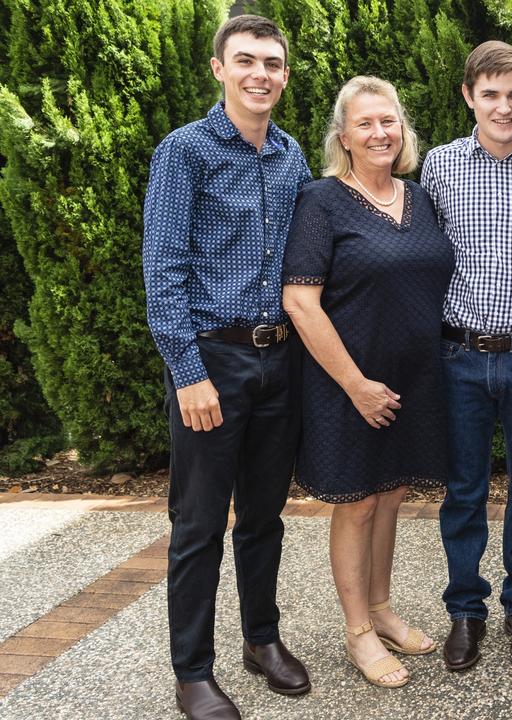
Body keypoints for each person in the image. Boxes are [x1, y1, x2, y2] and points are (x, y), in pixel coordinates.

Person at [142, 15, 312, 720]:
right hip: (213, 359)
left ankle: (262, 639)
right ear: (219, 69)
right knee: (199, 523)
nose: (260, 74)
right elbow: (163, 271)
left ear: (283, 75)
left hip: (281, 360)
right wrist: (188, 372)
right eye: (246, 61)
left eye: (272, 63)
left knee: (264, 517)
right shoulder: (185, 152)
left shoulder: (291, 154)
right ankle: (193, 671)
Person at [281, 75, 452, 689]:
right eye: (365, 123)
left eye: (389, 122)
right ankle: (357, 632)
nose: (380, 133)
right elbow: (301, 303)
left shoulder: (421, 198)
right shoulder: (320, 201)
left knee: (391, 494)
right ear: (343, 137)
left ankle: (381, 609)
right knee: (355, 503)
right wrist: (355, 384)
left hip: (411, 377)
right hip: (345, 381)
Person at [419, 41, 512, 671]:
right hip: (460, 354)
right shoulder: (438, 166)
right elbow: (423, 258)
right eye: (490, 94)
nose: (503, 107)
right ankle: (465, 610)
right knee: (464, 491)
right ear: (468, 96)